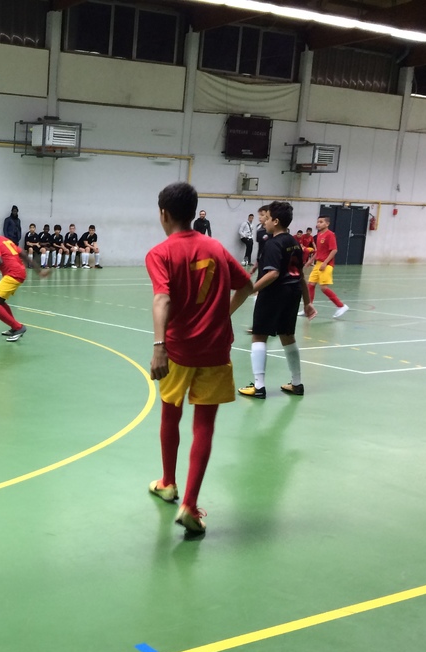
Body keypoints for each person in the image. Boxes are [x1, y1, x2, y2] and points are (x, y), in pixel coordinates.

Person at [145, 182, 253, 535]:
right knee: (203, 425)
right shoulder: (216, 247)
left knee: (170, 413)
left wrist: (159, 346)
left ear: (163, 213)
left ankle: (168, 483)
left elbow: (162, 298)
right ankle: (190, 505)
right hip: (216, 350)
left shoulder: (160, 253)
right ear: (193, 213)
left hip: (178, 351)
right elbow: (246, 286)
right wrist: (222, 315)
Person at [238, 201, 316, 400]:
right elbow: (300, 276)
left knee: (259, 336)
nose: (264, 222)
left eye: (267, 218)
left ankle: (259, 386)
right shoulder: (294, 243)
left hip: (274, 293)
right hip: (293, 293)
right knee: (288, 336)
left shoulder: (273, 243)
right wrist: (307, 302)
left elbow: (273, 274)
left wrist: (251, 290)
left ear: (276, 221)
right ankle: (297, 383)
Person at [0, 221, 51, 341]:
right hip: (19, 272)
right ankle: (14, 327)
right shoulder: (5, 240)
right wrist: (39, 271)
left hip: (13, 274)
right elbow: (23, 254)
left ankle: (18, 327)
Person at [307, 216, 349, 319]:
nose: (318, 224)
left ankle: (341, 306)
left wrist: (325, 263)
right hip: (318, 264)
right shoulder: (319, 235)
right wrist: (310, 261)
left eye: (321, 222)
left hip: (326, 265)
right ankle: (309, 308)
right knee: (311, 285)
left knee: (323, 288)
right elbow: (318, 251)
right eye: (318, 222)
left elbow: (334, 250)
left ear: (327, 224)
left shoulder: (330, 235)